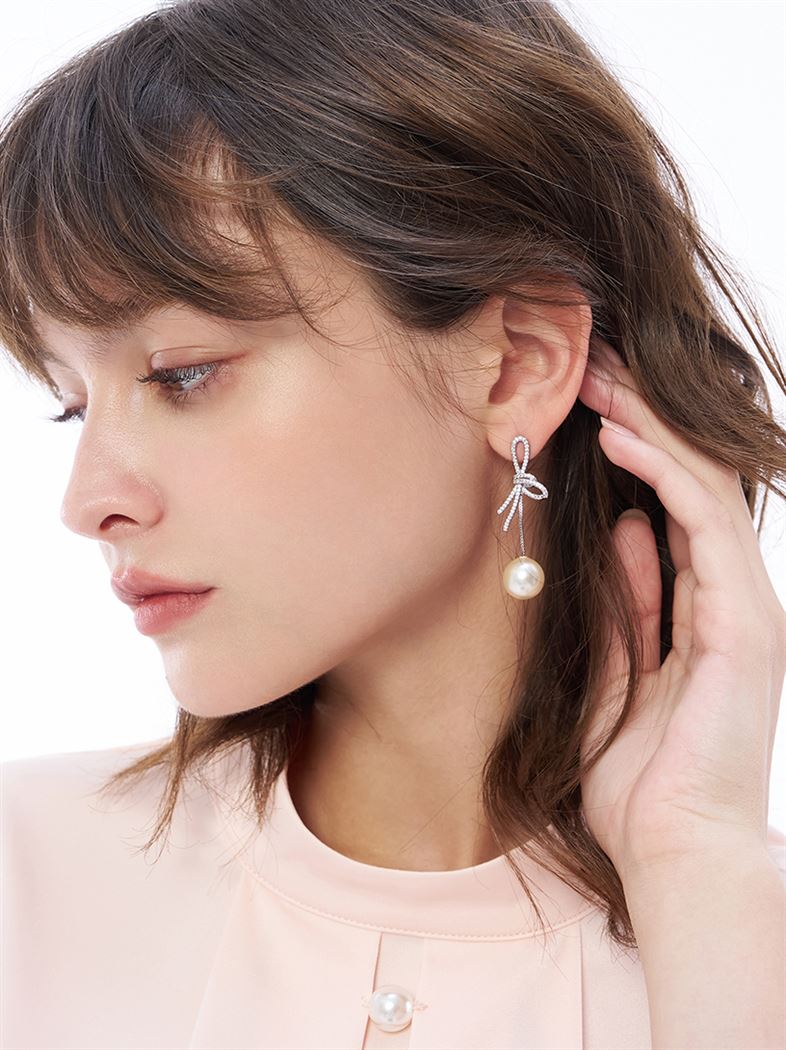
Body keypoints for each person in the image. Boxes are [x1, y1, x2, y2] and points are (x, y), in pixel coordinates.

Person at [1, 1, 784, 1047]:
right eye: (71, 405)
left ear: (515, 364)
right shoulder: (22, 883)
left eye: (182, 373)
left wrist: (699, 873)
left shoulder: (735, 935)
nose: (87, 500)